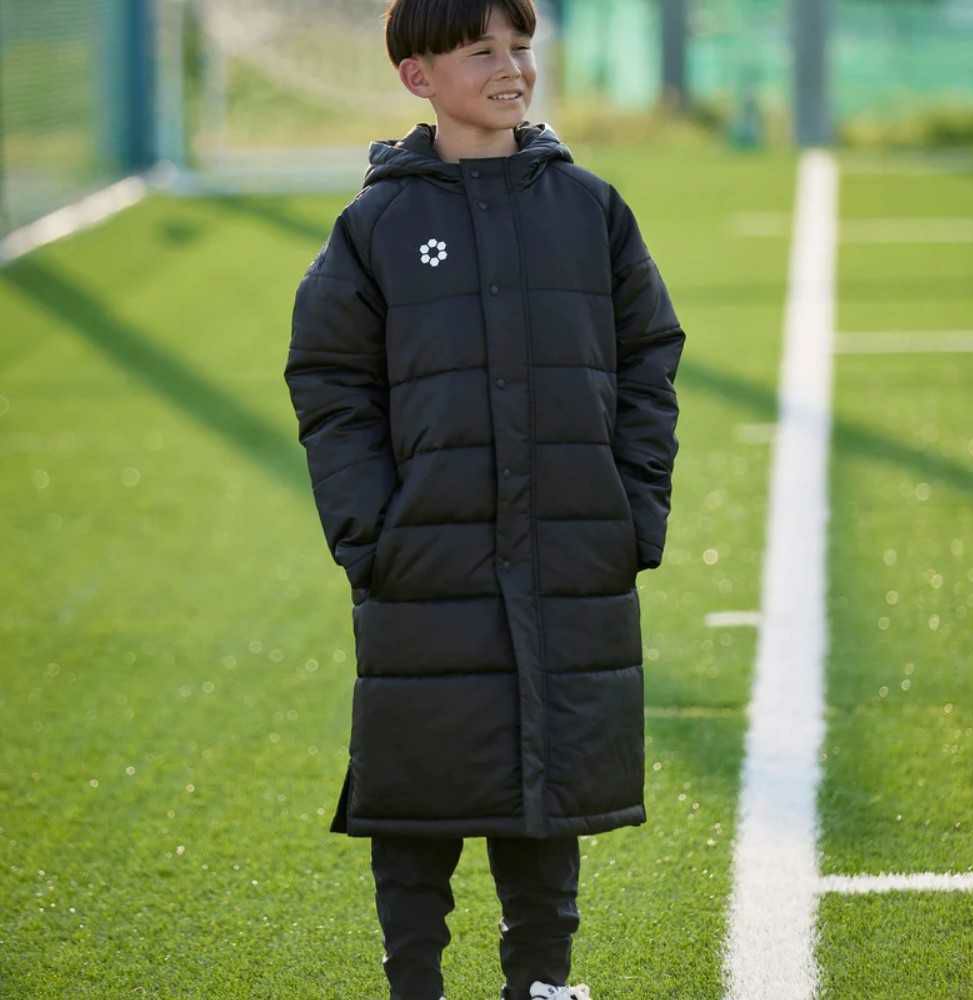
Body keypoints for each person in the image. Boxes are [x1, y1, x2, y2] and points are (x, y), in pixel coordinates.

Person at [283, 1, 686, 997]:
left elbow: (649, 355)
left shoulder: (589, 208)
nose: (512, 68)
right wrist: (370, 534)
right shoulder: (377, 226)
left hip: (570, 551)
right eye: (482, 52)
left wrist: (633, 508)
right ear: (418, 77)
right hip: (424, 560)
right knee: (416, 784)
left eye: (521, 47)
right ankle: (412, 981)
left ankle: (541, 982)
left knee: (549, 778)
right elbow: (330, 380)